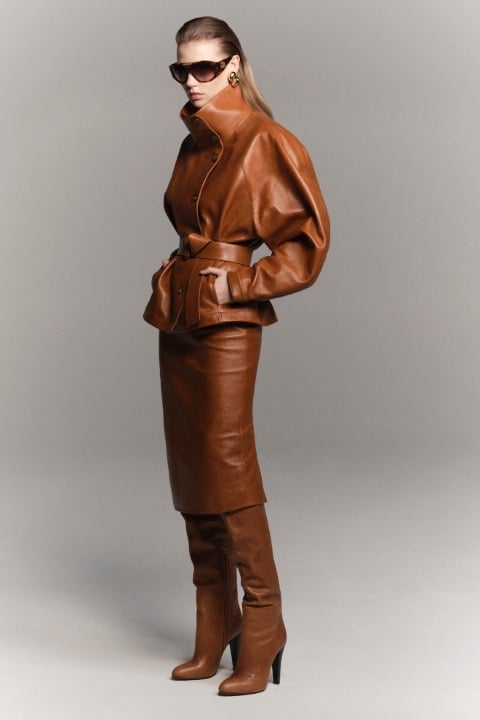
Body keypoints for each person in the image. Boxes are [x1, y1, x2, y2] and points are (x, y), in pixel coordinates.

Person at [143, 16, 330, 696]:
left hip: (226, 319)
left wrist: (241, 283)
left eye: (203, 68)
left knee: (225, 462)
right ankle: (214, 621)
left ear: (232, 66)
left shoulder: (266, 140)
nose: (191, 82)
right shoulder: (193, 142)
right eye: (181, 70)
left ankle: (264, 621)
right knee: (190, 466)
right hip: (180, 314)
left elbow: (306, 244)